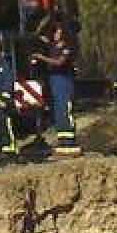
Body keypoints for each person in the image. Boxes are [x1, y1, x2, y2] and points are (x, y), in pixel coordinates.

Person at [32, 20, 80, 155]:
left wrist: (41, 57)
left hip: (64, 80)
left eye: (58, 32)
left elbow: (60, 62)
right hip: (54, 80)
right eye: (55, 32)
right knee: (58, 110)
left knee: (65, 108)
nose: (56, 34)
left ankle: (70, 140)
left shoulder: (67, 47)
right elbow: (43, 39)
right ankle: (63, 139)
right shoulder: (52, 45)